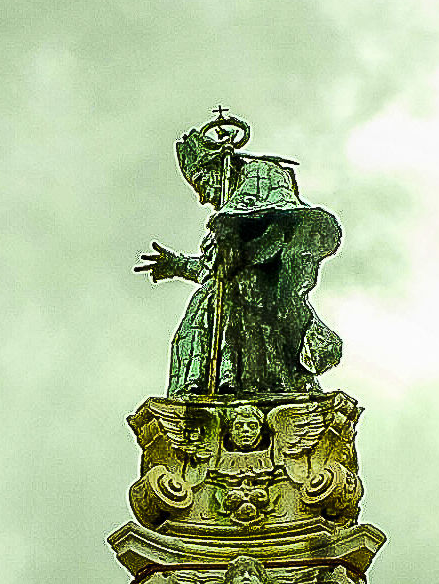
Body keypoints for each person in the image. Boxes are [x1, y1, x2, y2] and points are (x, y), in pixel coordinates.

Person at [136, 112, 343, 399]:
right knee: (191, 332)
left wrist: (237, 235)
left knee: (248, 333)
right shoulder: (217, 227)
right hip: (216, 300)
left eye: (202, 183)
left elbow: (281, 228)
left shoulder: (262, 177)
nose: (203, 197)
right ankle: (205, 392)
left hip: (255, 296)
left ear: (219, 169)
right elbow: (211, 271)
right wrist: (178, 265)